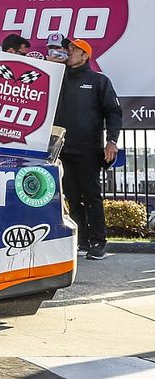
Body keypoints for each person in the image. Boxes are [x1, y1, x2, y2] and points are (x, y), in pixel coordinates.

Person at [54, 38, 122, 260]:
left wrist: (112, 141)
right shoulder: (56, 78)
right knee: (72, 197)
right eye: (68, 48)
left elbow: (113, 111)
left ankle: (98, 242)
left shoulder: (98, 81)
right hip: (63, 149)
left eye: (74, 49)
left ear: (85, 56)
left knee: (92, 196)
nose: (69, 52)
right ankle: (81, 240)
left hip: (88, 150)